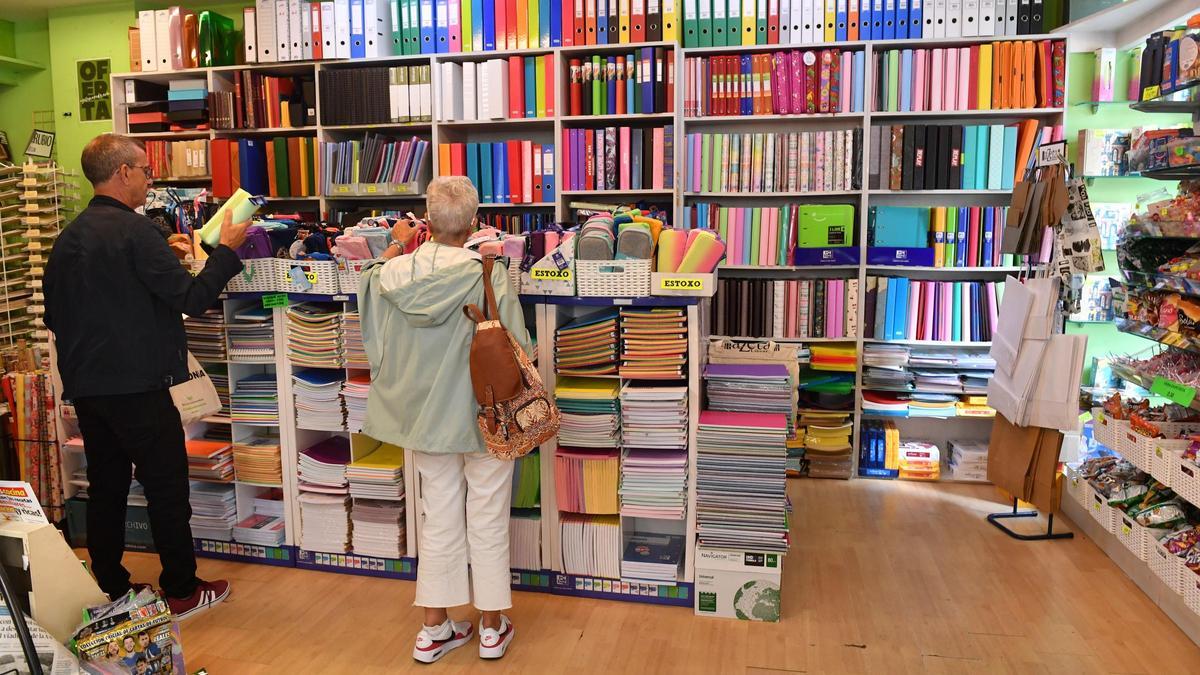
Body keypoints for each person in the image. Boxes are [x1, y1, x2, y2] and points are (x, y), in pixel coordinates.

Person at [44, 133, 249, 620]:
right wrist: (226, 251)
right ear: (122, 174)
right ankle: (181, 588)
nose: (149, 179)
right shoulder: (137, 233)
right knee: (166, 487)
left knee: (108, 485)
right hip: (140, 386)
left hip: (90, 388)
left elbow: (60, 312)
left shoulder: (70, 236)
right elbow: (193, 300)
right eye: (144, 170)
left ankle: (110, 582)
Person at [360, 176, 529, 663]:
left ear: (427, 222)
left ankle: (434, 629)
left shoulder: (394, 275)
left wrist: (396, 242)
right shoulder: (488, 272)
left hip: (425, 419)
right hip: (487, 415)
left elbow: (368, 280)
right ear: (474, 223)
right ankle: (492, 628)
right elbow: (517, 345)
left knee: (438, 518)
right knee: (489, 517)